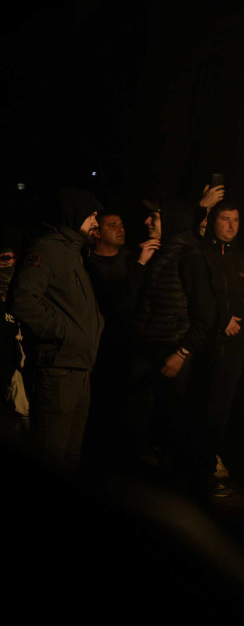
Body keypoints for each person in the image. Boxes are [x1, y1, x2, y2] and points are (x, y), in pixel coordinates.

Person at [8, 187, 104, 471]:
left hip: (79, 368)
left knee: (70, 458)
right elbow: (22, 301)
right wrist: (65, 334)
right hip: (58, 368)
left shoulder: (73, 252)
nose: (96, 221)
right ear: (74, 215)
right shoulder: (46, 250)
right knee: (50, 455)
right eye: (90, 215)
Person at [129, 198, 217, 494]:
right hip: (151, 347)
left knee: (175, 421)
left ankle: (179, 491)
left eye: (154, 217)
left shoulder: (189, 256)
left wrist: (182, 353)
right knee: (145, 416)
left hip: (174, 348)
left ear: (172, 222)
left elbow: (206, 314)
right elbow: (145, 303)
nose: (147, 222)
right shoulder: (163, 252)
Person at [198, 201, 244, 491]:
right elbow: (201, 296)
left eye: (235, 220)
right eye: (225, 219)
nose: (231, 225)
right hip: (205, 343)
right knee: (202, 405)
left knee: (222, 407)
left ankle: (211, 461)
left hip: (236, 344)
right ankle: (199, 466)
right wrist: (221, 319)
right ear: (213, 221)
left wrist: (238, 319)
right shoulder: (202, 255)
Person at [83, 210, 156, 468]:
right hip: (102, 345)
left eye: (122, 224)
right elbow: (114, 301)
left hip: (133, 344)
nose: (120, 229)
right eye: (113, 225)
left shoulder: (129, 258)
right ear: (97, 232)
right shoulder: (88, 264)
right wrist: (139, 266)